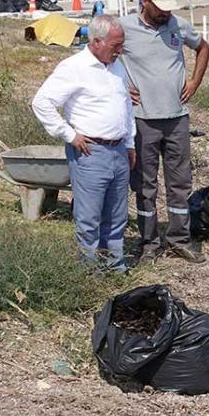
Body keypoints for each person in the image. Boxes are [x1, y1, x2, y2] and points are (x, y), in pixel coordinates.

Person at [31, 14, 135, 272]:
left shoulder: (117, 67)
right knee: (89, 218)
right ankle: (89, 271)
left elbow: (126, 107)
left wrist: (130, 142)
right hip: (91, 152)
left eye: (122, 45)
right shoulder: (73, 68)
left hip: (119, 150)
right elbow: (41, 103)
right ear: (97, 42)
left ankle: (114, 265)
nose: (120, 51)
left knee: (117, 215)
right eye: (115, 46)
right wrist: (69, 135)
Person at [120, 0, 209, 264]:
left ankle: (179, 240)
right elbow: (100, 56)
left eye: (169, 9)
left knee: (179, 183)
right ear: (144, 2)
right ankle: (148, 242)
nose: (166, 14)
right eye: (160, 9)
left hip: (177, 118)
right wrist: (120, 85)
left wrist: (195, 81)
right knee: (145, 185)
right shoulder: (123, 27)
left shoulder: (178, 26)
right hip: (143, 120)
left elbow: (203, 48)